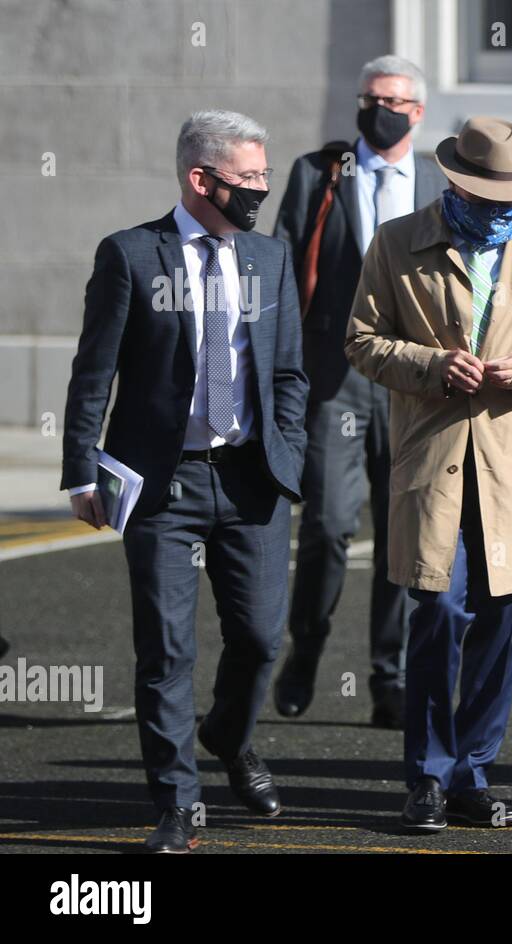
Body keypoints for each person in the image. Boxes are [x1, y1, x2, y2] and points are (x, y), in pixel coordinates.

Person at [346, 115, 512, 830]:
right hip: (433, 463)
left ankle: (472, 773)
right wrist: (430, 367)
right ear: (454, 181)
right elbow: (360, 341)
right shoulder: (398, 241)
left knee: (503, 620)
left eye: (508, 195)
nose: (498, 206)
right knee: (436, 611)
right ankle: (426, 776)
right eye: (484, 194)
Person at [61, 110, 308, 851]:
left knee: (262, 639)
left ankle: (229, 736)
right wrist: (81, 470)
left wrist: (288, 449)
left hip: (252, 481)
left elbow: (290, 371)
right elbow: (92, 372)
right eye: (250, 179)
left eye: (265, 176)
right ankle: (177, 803)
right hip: (160, 486)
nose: (262, 190)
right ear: (202, 180)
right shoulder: (132, 255)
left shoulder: (270, 258)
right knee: (166, 652)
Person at [272, 55, 440, 729]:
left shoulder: (438, 180)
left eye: (394, 100)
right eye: (370, 97)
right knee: (328, 526)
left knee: (404, 535)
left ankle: (388, 676)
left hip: (412, 383)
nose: (380, 109)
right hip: (335, 381)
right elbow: (283, 264)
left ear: (418, 113)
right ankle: (305, 649)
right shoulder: (320, 174)